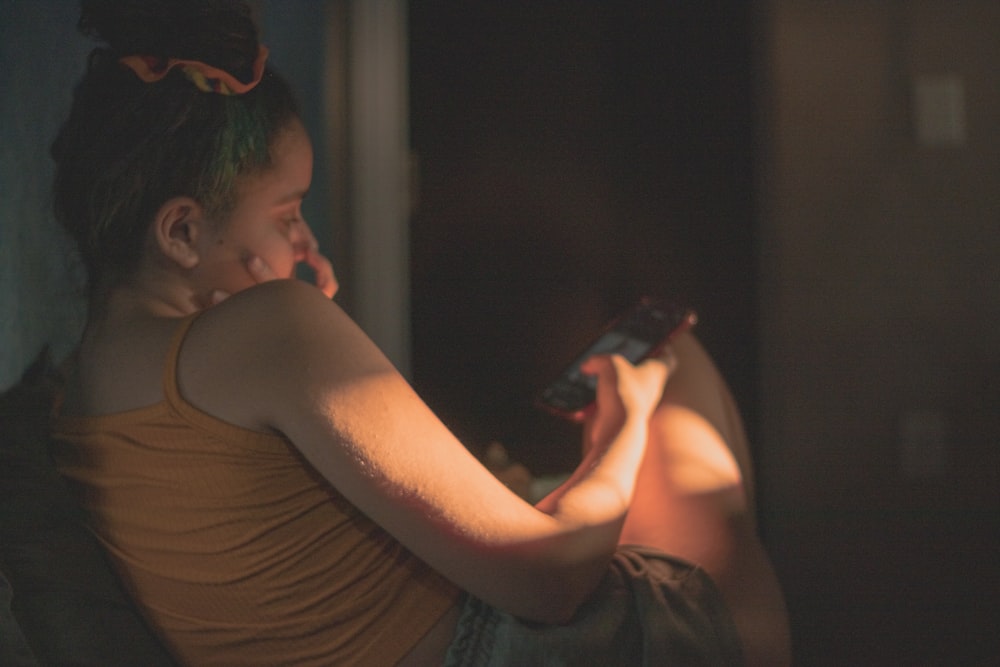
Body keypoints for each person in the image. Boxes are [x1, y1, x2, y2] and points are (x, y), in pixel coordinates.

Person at [49, 1, 790, 664]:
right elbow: (550, 575)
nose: (309, 249)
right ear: (181, 231)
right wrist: (617, 426)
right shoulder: (270, 326)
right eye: (287, 216)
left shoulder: (87, 379)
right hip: (514, 640)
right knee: (670, 356)